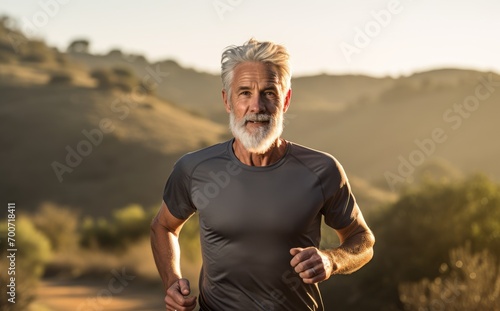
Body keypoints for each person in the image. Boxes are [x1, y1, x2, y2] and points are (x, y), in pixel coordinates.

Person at [150, 38, 375, 311]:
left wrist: (331, 260)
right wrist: (172, 281)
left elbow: (362, 240)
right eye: (244, 92)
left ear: (286, 100)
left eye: (269, 93)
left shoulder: (322, 169)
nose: (257, 106)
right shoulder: (195, 168)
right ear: (227, 101)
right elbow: (163, 226)